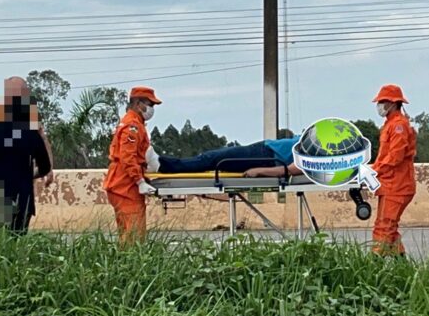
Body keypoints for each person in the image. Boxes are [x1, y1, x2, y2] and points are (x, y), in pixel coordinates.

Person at [0, 76, 52, 234]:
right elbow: (45, 166)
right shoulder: (30, 131)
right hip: (21, 204)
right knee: (14, 251)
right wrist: (30, 175)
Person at [103, 86, 162, 246]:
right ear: (137, 103)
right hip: (125, 186)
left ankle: (124, 266)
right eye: (149, 104)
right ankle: (130, 267)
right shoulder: (132, 126)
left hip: (124, 184)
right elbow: (127, 157)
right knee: (134, 236)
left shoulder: (135, 123)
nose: (151, 109)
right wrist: (139, 181)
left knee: (128, 235)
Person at [369, 84, 417, 257]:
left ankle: (374, 265)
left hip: (397, 186)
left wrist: (375, 171)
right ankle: (402, 266)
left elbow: (395, 156)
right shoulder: (390, 124)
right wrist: (373, 170)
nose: (380, 105)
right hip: (390, 184)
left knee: (384, 227)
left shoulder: (398, 126)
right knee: (389, 228)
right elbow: (384, 156)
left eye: (383, 101)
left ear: (393, 103)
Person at [146, 134, 304, 177]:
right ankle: (159, 164)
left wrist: (259, 170)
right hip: (265, 148)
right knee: (211, 157)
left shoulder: (322, 155)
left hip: (266, 158)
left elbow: (290, 170)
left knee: (212, 159)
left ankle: (162, 165)